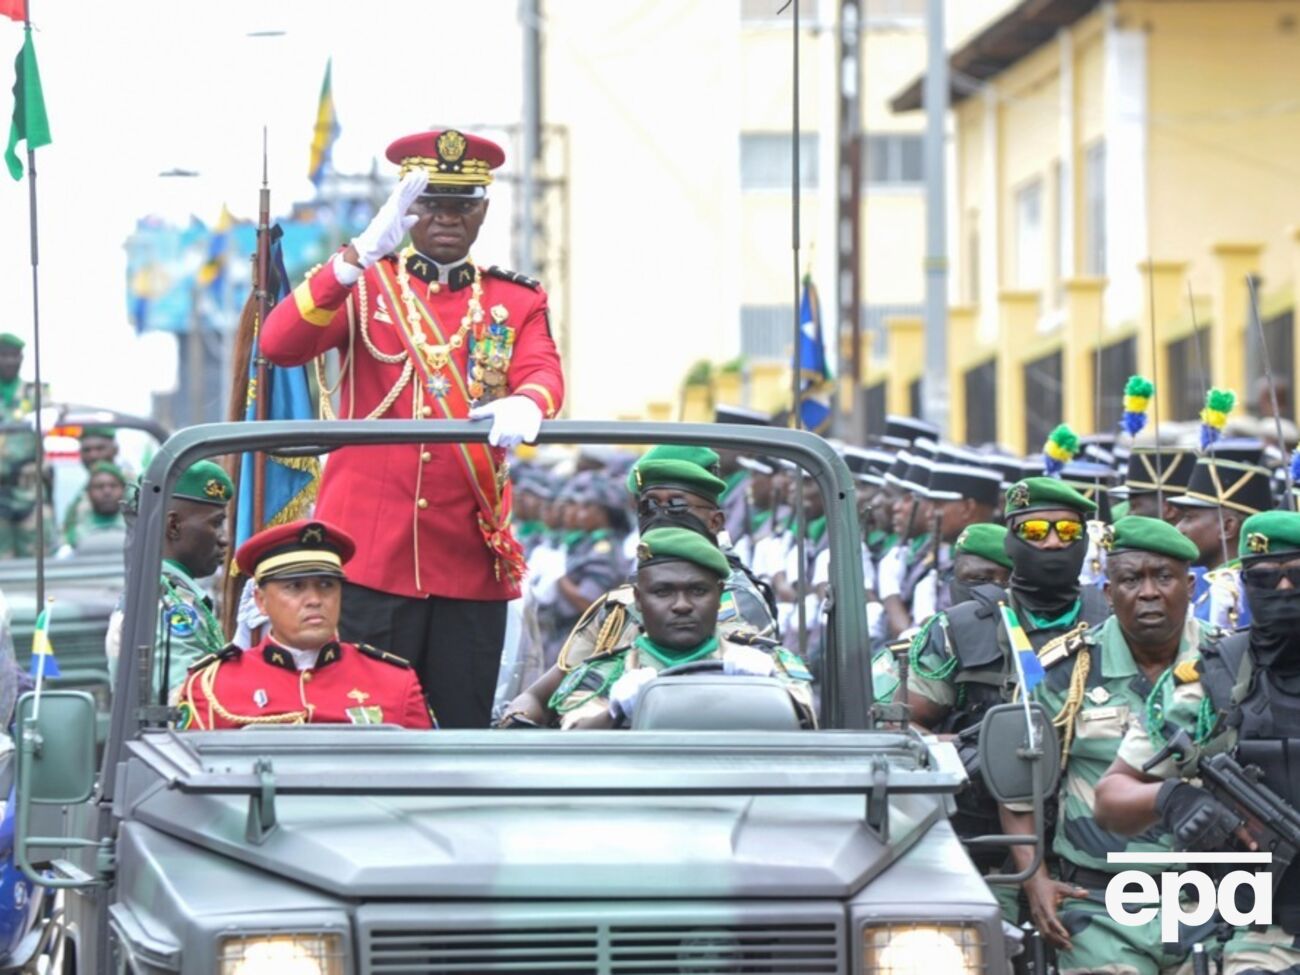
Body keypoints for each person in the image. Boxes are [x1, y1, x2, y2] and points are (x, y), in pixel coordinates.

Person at [261, 128, 565, 727]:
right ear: (405, 208)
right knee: (362, 729)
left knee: (461, 734)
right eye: (429, 202)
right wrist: (354, 257)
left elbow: (541, 371)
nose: (446, 217)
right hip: (370, 558)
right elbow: (279, 343)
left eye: (461, 203)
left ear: (483, 209)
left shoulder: (515, 300)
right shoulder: (366, 285)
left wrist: (529, 401)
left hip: (466, 561)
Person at [999, 516, 1216, 972]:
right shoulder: (1067, 671)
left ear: (1191, 586)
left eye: (1164, 576)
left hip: (1215, 900)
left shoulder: (1229, 664)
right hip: (1101, 902)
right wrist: (1035, 880)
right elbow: (1019, 788)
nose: (1149, 592)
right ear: (1107, 592)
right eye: (1132, 579)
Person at [1095, 510, 1300, 975]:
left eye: (1297, 576)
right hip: (1265, 937)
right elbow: (1110, 798)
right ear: (1244, 583)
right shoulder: (1215, 682)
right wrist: (1172, 797)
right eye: (1267, 579)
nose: (1285, 591)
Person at [499, 446, 777, 725]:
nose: (660, 516)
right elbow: (542, 694)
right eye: (648, 505)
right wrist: (516, 721)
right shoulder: (619, 605)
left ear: (714, 521)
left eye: (677, 505)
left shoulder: (736, 598)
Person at [547, 527, 814, 729]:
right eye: (663, 592)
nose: (682, 605)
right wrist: (614, 713)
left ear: (719, 595)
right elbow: (575, 738)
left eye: (698, 591)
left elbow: (808, 723)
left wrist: (769, 689)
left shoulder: (764, 662)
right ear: (639, 600)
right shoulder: (603, 675)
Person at [179, 519, 434, 730]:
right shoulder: (212, 685)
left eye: (326, 585)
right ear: (261, 601)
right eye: (295, 587)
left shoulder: (395, 683)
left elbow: (426, 781)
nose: (314, 600)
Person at [107, 461, 235, 697]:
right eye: (216, 524)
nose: (224, 539)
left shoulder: (162, 589)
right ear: (173, 526)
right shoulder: (168, 602)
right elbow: (187, 701)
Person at [1171, 449, 1272, 629]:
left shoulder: (1240, 593)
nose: (1179, 528)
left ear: (1228, 527)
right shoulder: (1214, 585)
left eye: (1189, 517)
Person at [0, 334, 48, 559]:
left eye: (15, 355)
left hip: (28, 490)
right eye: (3, 356)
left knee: (38, 563)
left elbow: (53, 415)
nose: (10, 361)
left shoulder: (35, 393)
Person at [60, 426, 122, 548]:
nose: (93, 455)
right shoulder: (79, 496)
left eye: (100, 449)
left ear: (115, 450)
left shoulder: (137, 489)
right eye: (87, 450)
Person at [64, 461, 126, 553]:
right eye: (99, 487)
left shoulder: (137, 527)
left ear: (124, 490)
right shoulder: (75, 533)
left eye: (113, 486)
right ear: (88, 492)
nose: (107, 492)